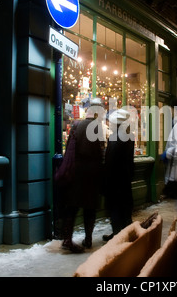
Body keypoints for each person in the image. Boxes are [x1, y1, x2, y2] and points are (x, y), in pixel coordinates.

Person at [61, 98, 105, 252]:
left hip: (76, 171)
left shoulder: (76, 125)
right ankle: (88, 239)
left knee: (72, 206)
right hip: (92, 173)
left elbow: (69, 148)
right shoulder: (97, 127)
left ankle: (67, 238)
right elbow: (101, 151)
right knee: (90, 207)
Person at [102, 109, 135, 241]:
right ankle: (123, 233)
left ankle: (117, 236)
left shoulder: (115, 138)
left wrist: (106, 179)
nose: (109, 124)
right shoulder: (129, 136)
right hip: (124, 177)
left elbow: (111, 161)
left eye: (111, 122)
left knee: (115, 207)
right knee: (124, 207)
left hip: (115, 179)